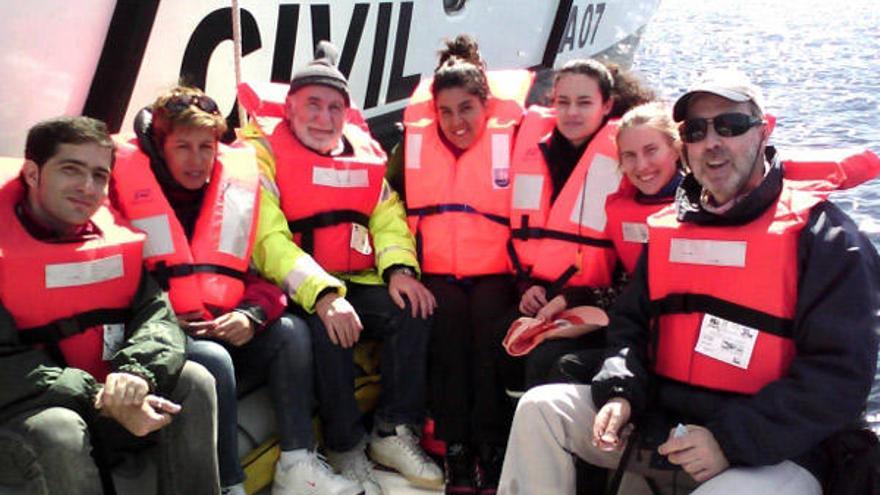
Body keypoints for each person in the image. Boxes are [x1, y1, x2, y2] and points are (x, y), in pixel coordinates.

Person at [498, 69, 880, 494]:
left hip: (775, 448)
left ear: (764, 130)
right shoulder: (668, 230)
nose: (712, 142)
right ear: (685, 146)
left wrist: (729, 440)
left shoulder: (827, 239)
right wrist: (621, 392)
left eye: (730, 125)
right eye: (696, 130)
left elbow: (838, 376)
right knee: (541, 411)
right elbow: (630, 328)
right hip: (663, 421)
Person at [109, 86, 359, 495]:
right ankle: (228, 485)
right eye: (183, 147)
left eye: (205, 147)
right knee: (212, 360)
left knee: (291, 332)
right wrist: (170, 324)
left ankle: (297, 465)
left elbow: (257, 276)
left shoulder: (231, 192)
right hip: (163, 337)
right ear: (159, 148)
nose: (197, 160)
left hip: (225, 323)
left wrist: (251, 315)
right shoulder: (124, 196)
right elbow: (120, 290)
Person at [239, 41, 442, 495]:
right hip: (293, 287)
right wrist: (325, 295)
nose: (323, 118)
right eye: (313, 104)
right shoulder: (260, 153)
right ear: (290, 106)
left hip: (358, 278)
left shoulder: (363, 152)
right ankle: (345, 446)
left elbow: (387, 218)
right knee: (329, 330)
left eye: (335, 108)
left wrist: (399, 272)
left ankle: (391, 429)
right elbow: (266, 238)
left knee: (414, 309)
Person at [0, 116, 220, 494]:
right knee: (60, 430)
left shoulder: (112, 241)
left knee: (195, 380)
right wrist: (98, 396)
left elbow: (158, 318)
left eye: (99, 176)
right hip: (23, 416)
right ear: (33, 174)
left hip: (105, 398)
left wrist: (137, 375)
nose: (87, 187)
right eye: (71, 170)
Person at [389, 34, 532, 494]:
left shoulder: (515, 138)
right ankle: (455, 447)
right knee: (446, 335)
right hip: (437, 272)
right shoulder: (411, 143)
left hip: (495, 271)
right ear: (434, 111)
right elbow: (386, 203)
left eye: (466, 109)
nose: (456, 121)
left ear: (485, 105)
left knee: (489, 340)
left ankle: (489, 446)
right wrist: (400, 269)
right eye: (446, 112)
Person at [508, 59, 654, 388]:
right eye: (564, 102)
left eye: (584, 102)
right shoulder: (537, 150)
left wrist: (573, 299)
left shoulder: (628, 157)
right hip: (542, 292)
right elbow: (523, 236)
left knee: (546, 356)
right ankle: (496, 435)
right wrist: (526, 285)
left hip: (598, 301)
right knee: (497, 333)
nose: (572, 112)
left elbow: (630, 271)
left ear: (608, 105)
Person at [606, 101, 684, 275]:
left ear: (676, 149)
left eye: (651, 150)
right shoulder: (617, 210)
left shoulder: (706, 208)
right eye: (630, 155)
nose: (641, 166)